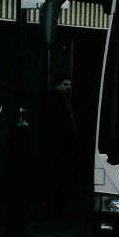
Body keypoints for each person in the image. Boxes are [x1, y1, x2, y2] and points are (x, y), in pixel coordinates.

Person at [44, 77, 79, 215]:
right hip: (58, 144)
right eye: (65, 84)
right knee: (59, 176)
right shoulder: (56, 100)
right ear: (57, 85)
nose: (68, 87)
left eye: (70, 84)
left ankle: (58, 206)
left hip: (61, 144)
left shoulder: (63, 99)